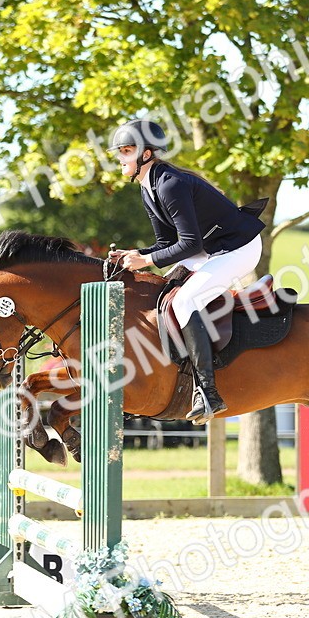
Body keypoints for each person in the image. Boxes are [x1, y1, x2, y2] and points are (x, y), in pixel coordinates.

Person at [107, 119, 266, 423]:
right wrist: (138, 254)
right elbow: (167, 242)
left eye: (126, 151)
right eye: (120, 152)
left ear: (147, 154)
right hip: (211, 249)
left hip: (239, 247)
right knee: (164, 293)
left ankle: (208, 392)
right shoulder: (148, 186)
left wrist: (148, 260)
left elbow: (189, 244)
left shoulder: (170, 184)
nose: (120, 159)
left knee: (184, 301)